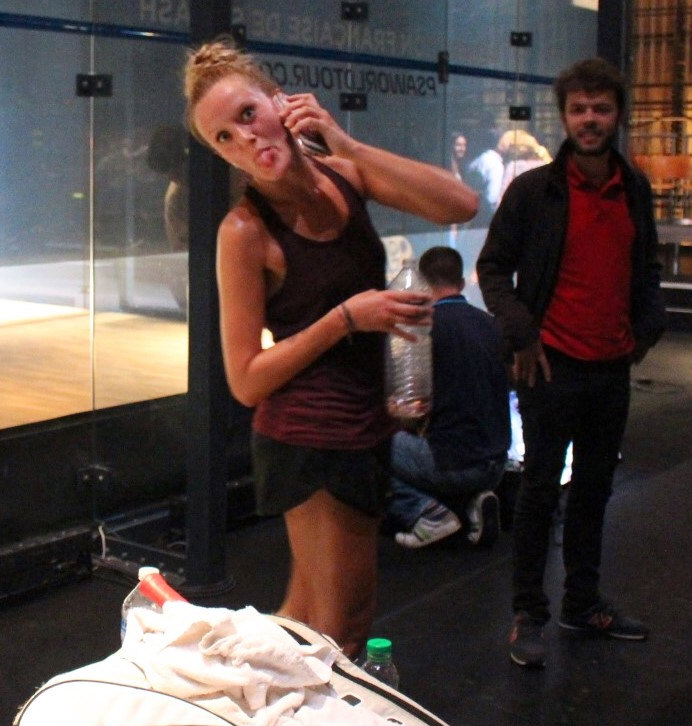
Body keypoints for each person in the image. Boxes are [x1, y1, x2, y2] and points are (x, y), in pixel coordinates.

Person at [183, 36, 478, 658]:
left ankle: (230, 689)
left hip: (364, 423)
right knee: (338, 629)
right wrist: (346, 318)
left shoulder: (343, 174)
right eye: (224, 138)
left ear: (280, 101)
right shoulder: (243, 232)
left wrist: (345, 142)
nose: (246, 140)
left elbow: (459, 202)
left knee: (311, 617)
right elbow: (245, 379)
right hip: (309, 435)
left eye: (247, 114)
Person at [476, 57, 667, 669]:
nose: (590, 119)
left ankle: (581, 603)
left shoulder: (633, 188)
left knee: (593, 490)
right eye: (579, 109)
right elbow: (492, 268)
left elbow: (648, 268)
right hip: (550, 368)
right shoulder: (535, 191)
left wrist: (646, 330)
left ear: (617, 115)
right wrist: (521, 332)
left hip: (611, 369)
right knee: (539, 492)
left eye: (601, 108)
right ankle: (528, 614)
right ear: (563, 116)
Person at [386, 246, 510, 549]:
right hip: (497, 464)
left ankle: (425, 513)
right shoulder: (490, 323)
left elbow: (411, 405)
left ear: (422, 285)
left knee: (368, 444)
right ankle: (473, 502)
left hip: (454, 463)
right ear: (462, 282)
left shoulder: (425, 329)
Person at [146, 124, 189, 310]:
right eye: (170, 173)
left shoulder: (235, 174)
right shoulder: (176, 198)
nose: (174, 177)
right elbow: (180, 251)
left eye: (176, 169)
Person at [465, 126, 505, 227]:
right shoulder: (496, 165)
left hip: (470, 212)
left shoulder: (477, 160)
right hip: (484, 219)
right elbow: (492, 197)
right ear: (499, 144)